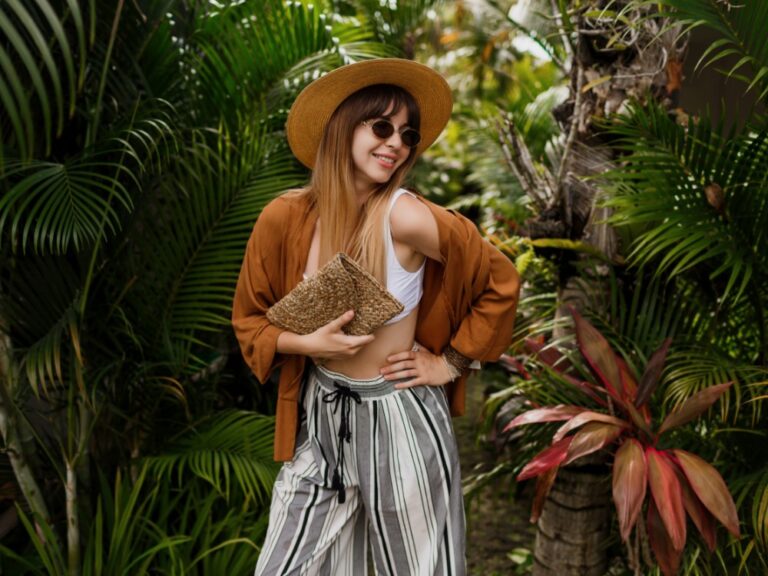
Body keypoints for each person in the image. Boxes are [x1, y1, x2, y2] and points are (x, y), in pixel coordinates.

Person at [232, 58, 520, 576]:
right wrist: (306, 345)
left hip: (399, 418)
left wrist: (450, 363)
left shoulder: (404, 217)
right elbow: (250, 320)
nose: (397, 144)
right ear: (343, 126)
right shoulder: (285, 218)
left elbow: (500, 279)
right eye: (382, 127)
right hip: (323, 417)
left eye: (408, 135)